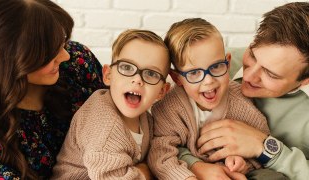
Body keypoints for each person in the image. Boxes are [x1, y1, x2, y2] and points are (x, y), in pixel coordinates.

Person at [181, 2, 309, 180]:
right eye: (253, 55)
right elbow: (163, 129)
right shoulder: (215, 66)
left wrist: (265, 147)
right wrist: (194, 165)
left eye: (271, 74)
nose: (249, 76)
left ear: (304, 81)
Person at [0, 0, 105, 179]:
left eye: (63, 42)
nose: (65, 55)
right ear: (11, 59)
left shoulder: (77, 63)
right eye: (49, 51)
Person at [147, 18, 274, 180]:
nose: (208, 81)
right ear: (177, 78)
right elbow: (160, 153)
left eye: (216, 67)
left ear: (227, 64)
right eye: (194, 73)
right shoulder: (169, 107)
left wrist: (242, 163)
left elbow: (260, 142)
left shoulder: (241, 101)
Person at [51, 29, 171, 179]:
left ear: (162, 91)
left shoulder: (147, 118)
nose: (137, 79)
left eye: (151, 74)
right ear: (108, 75)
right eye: (127, 67)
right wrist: (145, 172)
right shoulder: (104, 127)